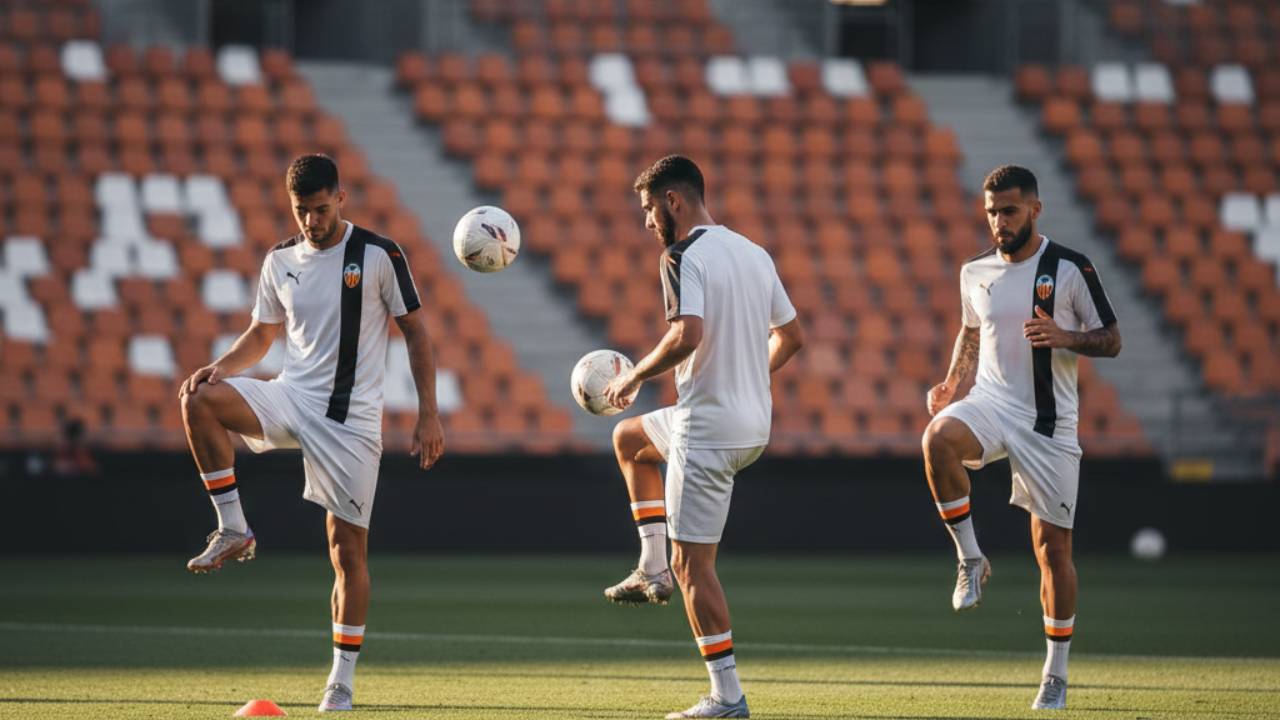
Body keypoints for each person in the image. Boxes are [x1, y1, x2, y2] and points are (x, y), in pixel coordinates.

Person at [177, 154, 445, 712]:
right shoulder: (280, 259)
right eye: (302, 211)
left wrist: (429, 413)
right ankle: (233, 528)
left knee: (346, 551)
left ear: (341, 199)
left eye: (321, 209)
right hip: (291, 396)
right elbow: (262, 332)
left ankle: (340, 680)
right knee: (198, 397)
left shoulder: (378, 254)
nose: (311, 221)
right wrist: (222, 366)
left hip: (350, 422)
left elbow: (416, 333)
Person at [603, 155, 804, 719]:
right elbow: (792, 337)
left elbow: (686, 335)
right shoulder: (753, 252)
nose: (646, 223)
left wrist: (634, 375)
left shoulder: (681, 254)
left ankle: (727, 696)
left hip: (709, 429)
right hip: (751, 425)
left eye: (648, 209)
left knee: (696, 567)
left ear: (672, 202)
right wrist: (746, 375)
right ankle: (651, 564)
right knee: (631, 440)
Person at [922, 165, 1121, 710]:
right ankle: (970, 558)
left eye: (1008, 210)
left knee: (1052, 550)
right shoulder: (975, 270)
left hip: (1048, 422)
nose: (998, 221)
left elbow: (1112, 340)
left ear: (1035, 208)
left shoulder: (1071, 268)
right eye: (990, 211)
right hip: (990, 401)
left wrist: (1066, 337)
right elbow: (970, 329)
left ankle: (1054, 674)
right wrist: (952, 381)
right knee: (936, 438)